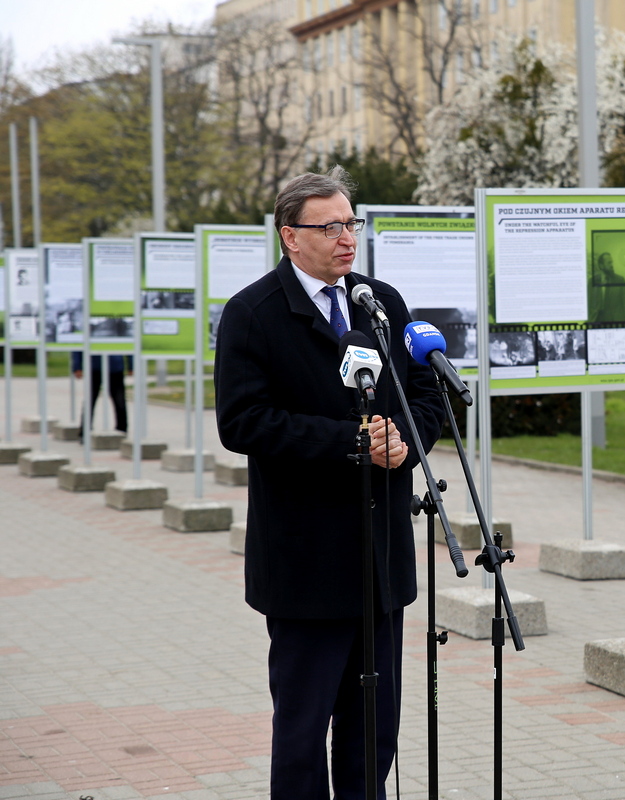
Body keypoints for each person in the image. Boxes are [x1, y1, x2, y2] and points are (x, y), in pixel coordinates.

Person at [214, 166, 444, 799]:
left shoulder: (381, 302)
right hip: (306, 559)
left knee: (375, 731)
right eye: (332, 226)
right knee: (302, 730)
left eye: (352, 222)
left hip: (380, 558)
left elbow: (421, 392)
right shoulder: (253, 314)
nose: (348, 237)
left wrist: (406, 440)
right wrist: (351, 443)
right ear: (291, 236)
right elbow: (243, 422)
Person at [71, 352, 129, 434]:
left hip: (115, 367)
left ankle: (122, 430)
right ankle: (85, 431)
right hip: (95, 366)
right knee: (90, 400)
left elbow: (129, 341)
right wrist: (77, 366)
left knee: (119, 400)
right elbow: (78, 344)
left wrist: (131, 365)